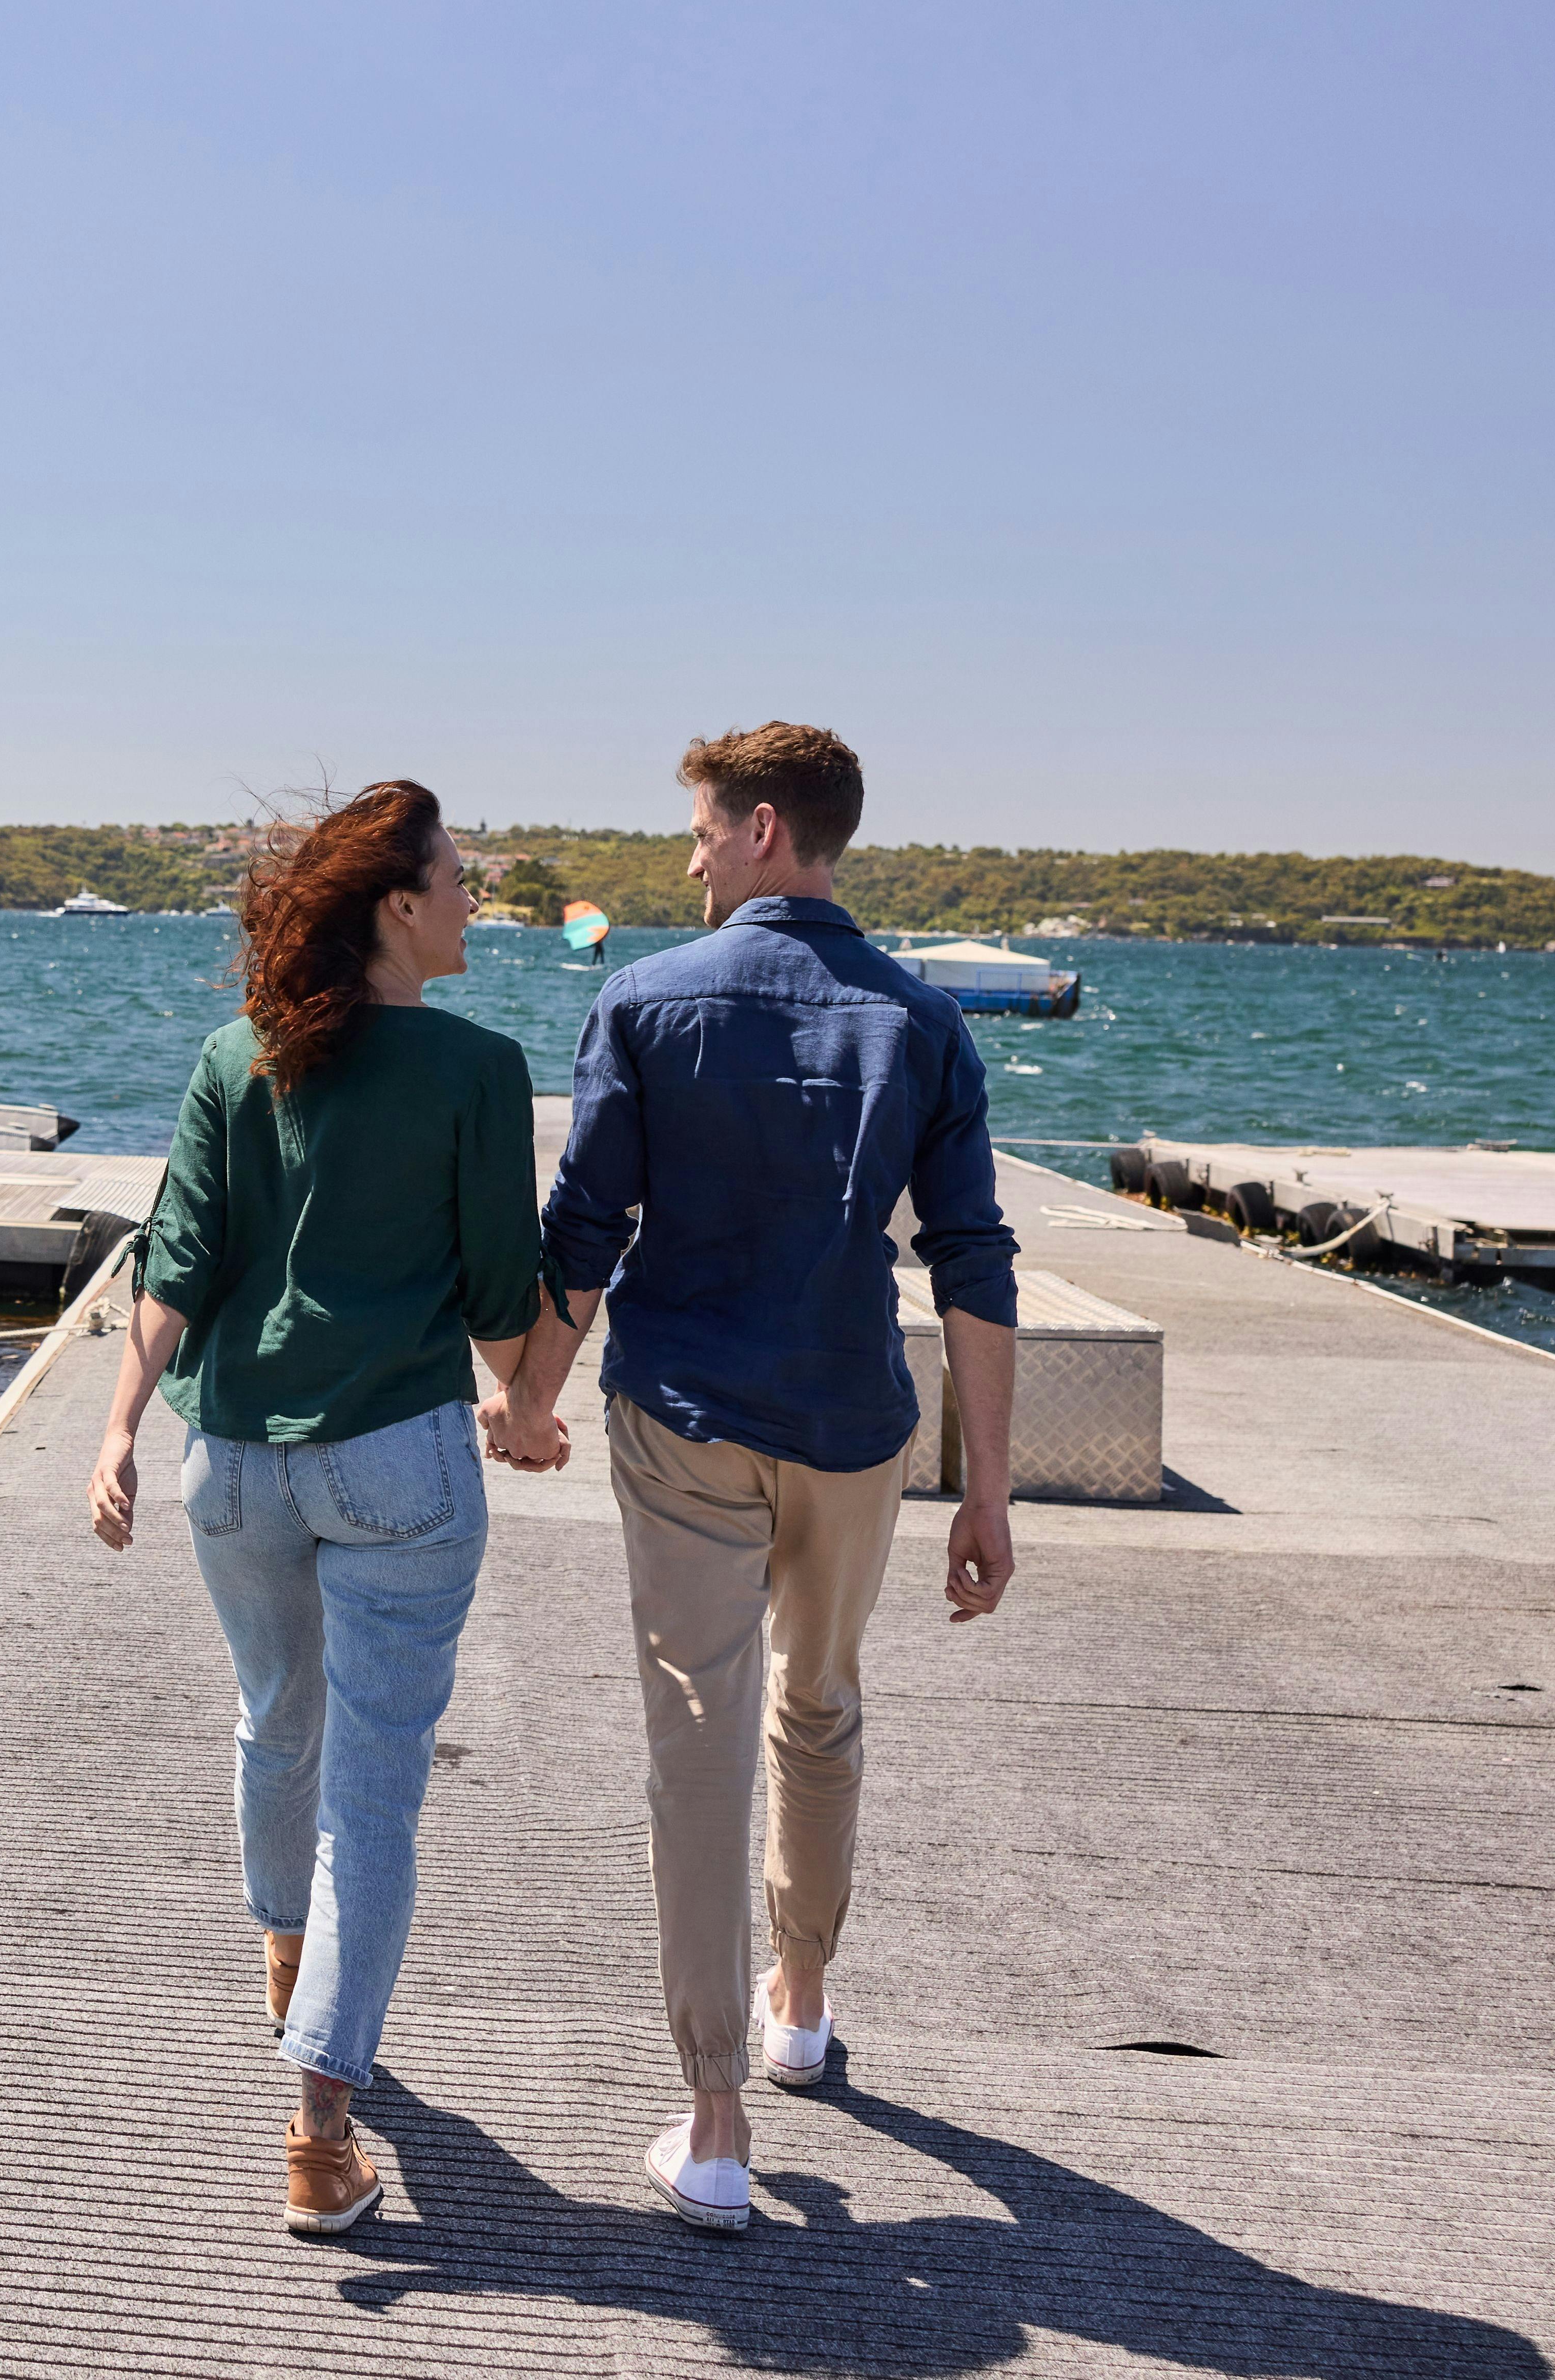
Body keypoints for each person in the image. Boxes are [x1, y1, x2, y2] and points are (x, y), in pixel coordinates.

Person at [486, 722, 1020, 2235]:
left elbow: (583, 1227)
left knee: (702, 1745)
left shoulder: (647, 1001)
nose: (692, 859)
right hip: (856, 1421)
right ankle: (799, 2004)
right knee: (820, 1707)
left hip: (683, 1415)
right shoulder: (921, 1021)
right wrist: (986, 1493)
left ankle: (715, 2121)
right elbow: (972, 1259)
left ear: (768, 828)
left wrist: (531, 1395)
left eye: (707, 833)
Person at [87, 781, 544, 2237]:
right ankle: (317, 2128)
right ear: (399, 906)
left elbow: (178, 1257)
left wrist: (112, 1433)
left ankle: (292, 1974)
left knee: (276, 1720)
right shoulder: (479, 1070)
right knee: (377, 1791)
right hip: (394, 1462)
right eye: (460, 880)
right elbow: (494, 1298)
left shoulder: (240, 1056)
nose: (476, 899)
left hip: (229, 1459)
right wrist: (532, 1403)